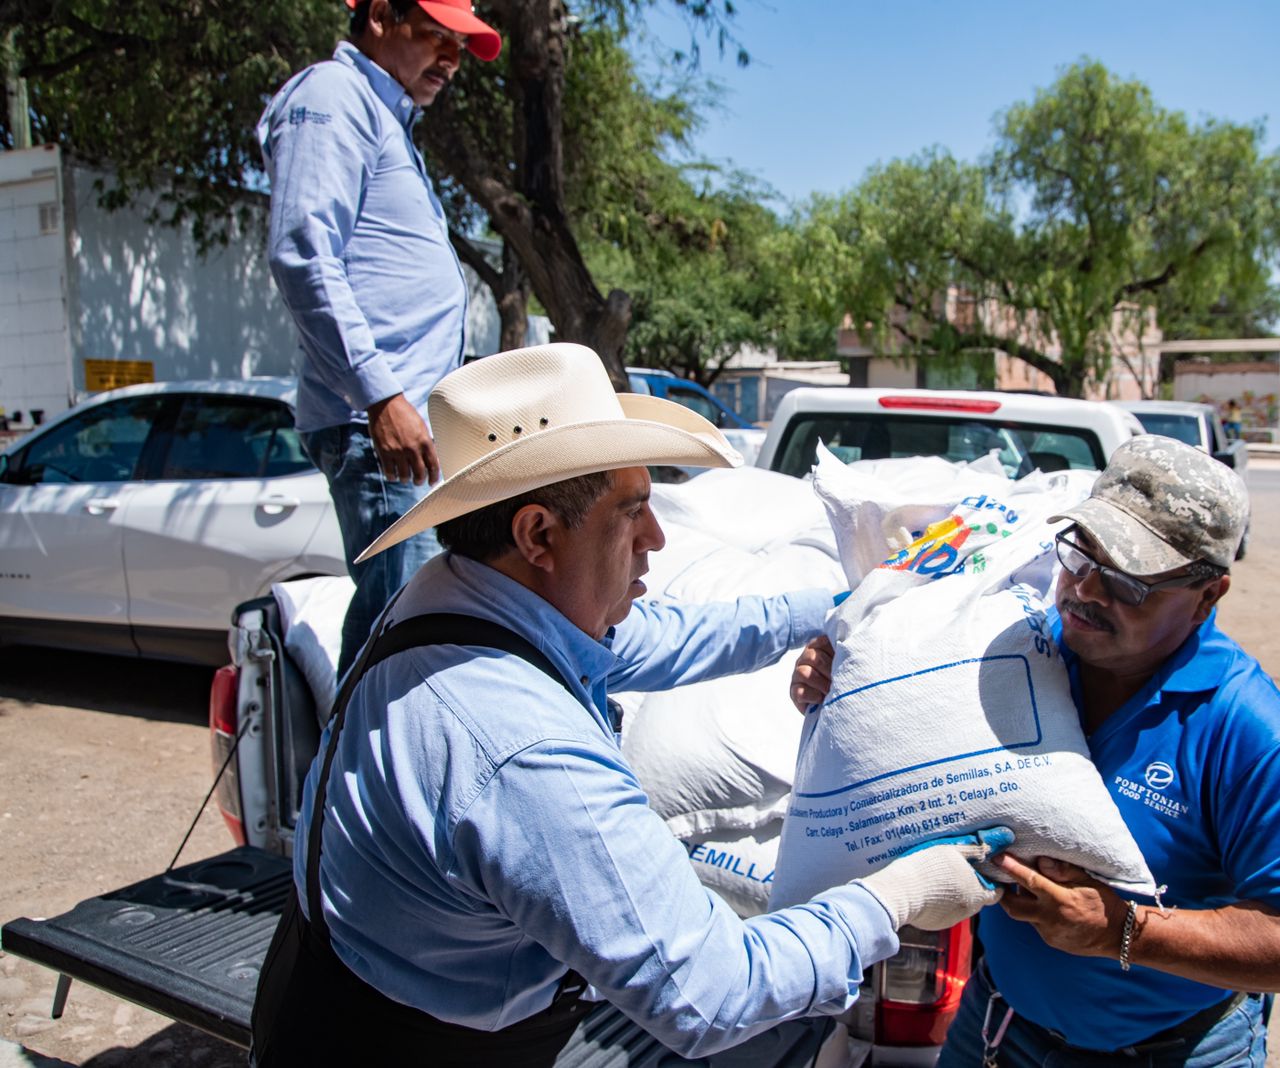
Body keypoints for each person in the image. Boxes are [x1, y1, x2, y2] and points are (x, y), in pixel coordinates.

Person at [249, 343, 1011, 1067]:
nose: (655, 537)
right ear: (538, 533)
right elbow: (713, 994)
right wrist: (898, 894)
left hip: (335, 986)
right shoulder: (520, 746)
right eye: (631, 511)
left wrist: (853, 604)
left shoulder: (471, 592)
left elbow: (673, 635)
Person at [792, 436, 1280, 1067]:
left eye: (1131, 581)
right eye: (1081, 554)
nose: (1088, 590)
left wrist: (1124, 932)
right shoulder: (1023, 648)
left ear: (1209, 594)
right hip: (997, 1029)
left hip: (1173, 1052)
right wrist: (836, 674)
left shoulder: (1246, 730)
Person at [257, 0, 500, 674]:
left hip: (407, 427)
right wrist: (382, 396)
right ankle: (351, 776)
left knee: (415, 634)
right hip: (383, 431)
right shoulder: (334, 96)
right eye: (438, 37)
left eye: (461, 45)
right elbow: (303, 253)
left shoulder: (385, 119)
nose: (452, 61)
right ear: (382, 14)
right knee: (399, 645)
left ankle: (368, 769)